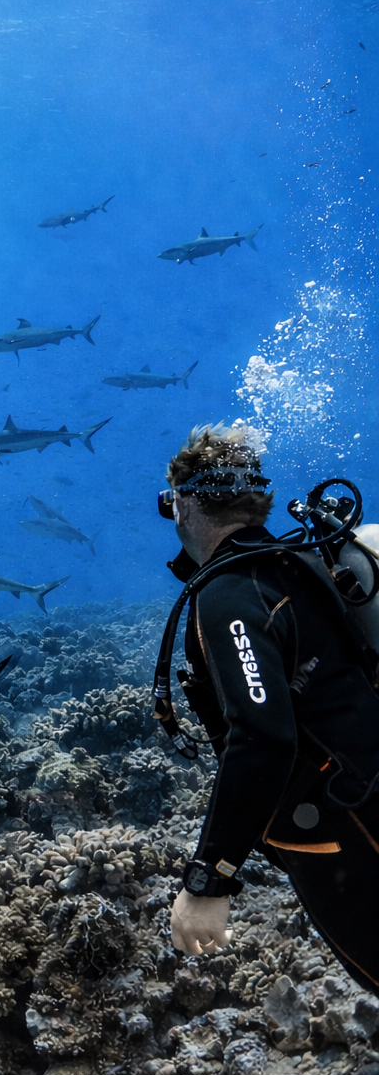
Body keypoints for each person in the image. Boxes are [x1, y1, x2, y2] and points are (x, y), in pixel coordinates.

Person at [160, 424, 379, 994]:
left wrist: (209, 881)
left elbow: (262, 738)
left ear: (181, 504)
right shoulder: (294, 561)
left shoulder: (230, 592)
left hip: (349, 828)